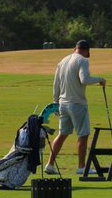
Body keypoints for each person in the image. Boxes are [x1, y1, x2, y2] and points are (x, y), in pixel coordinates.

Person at [45, 39, 106, 174]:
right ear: (85, 50)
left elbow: (56, 84)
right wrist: (100, 79)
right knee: (83, 135)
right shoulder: (82, 60)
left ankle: (49, 165)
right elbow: (84, 79)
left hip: (62, 103)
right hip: (77, 104)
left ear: (75, 48)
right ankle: (81, 167)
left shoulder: (63, 61)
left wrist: (55, 102)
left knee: (62, 134)